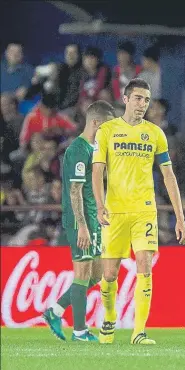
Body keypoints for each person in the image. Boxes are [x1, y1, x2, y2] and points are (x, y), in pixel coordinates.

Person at [92, 78, 185, 345]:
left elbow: (169, 176)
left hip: (145, 211)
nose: (142, 104)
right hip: (115, 213)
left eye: (146, 100)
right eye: (137, 98)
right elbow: (98, 170)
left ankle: (139, 332)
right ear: (125, 99)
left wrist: (180, 217)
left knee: (144, 267)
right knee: (109, 274)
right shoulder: (108, 131)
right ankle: (109, 319)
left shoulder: (156, 134)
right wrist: (100, 205)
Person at [42, 100, 116, 342]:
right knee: (82, 273)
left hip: (92, 218)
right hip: (79, 221)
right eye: (107, 126)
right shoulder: (78, 150)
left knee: (95, 274)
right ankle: (80, 331)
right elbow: (75, 190)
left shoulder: (93, 149)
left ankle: (55, 311)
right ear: (95, 122)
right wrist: (82, 225)